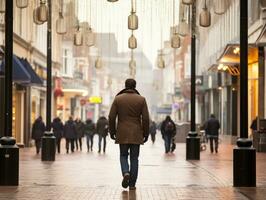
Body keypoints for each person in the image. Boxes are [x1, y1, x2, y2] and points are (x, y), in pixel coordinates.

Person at [109, 78, 149, 190]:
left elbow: (111, 117)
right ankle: (132, 184)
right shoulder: (141, 99)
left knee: (123, 155)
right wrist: (145, 133)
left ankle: (125, 172)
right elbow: (145, 118)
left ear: (125, 86)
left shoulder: (118, 99)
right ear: (135, 86)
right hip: (136, 133)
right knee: (134, 158)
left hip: (122, 132)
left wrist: (112, 132)